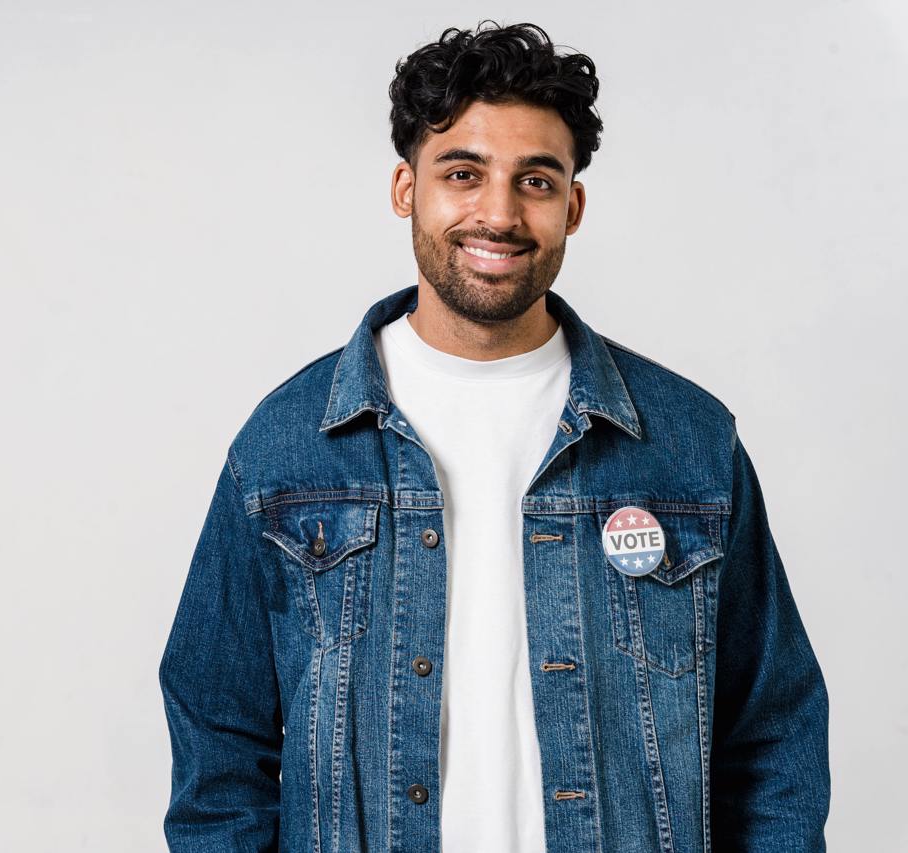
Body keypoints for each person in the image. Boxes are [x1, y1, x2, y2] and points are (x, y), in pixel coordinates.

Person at [158, 20, 830, 853]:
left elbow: (772, 734)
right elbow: (219, 749)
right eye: (463, 173)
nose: (499, 213)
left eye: (536, 180)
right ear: (406, 188)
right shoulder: (287, 446)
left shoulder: (686, 443)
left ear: (572, 206)